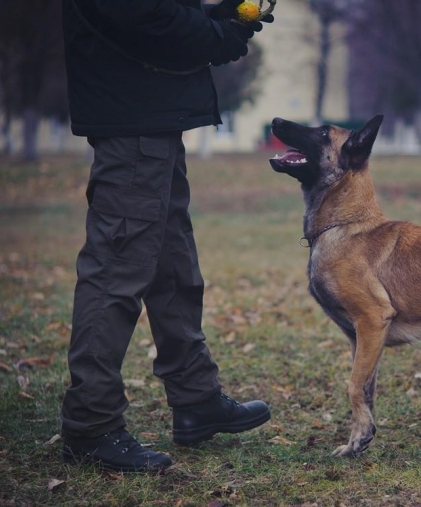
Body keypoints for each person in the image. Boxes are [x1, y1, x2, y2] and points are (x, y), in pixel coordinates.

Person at [59, 0, 273, 473]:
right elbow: (143, 15)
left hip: (152, 116)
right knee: (116, 272)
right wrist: (215, 37)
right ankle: (90, 424)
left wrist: (216, 19)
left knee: (171, 262)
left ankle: (195, 397)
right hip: (132, 118)